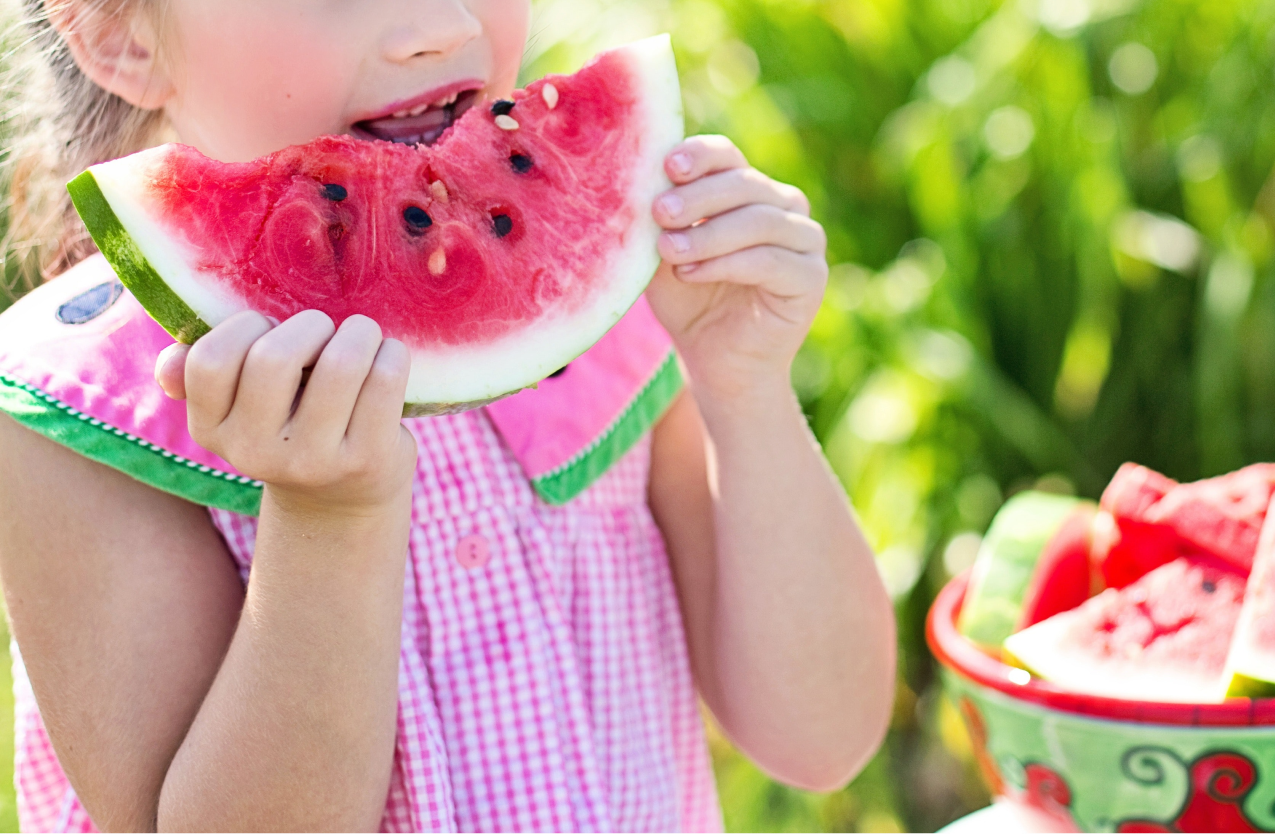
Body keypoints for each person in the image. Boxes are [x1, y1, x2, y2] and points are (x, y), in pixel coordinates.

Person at [0, 1, 895, 831]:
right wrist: (328, 522)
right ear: (120, 36)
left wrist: (745, 387)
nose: (437, 25)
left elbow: (824, 737)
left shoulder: (611, 303)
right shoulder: (79, 416)